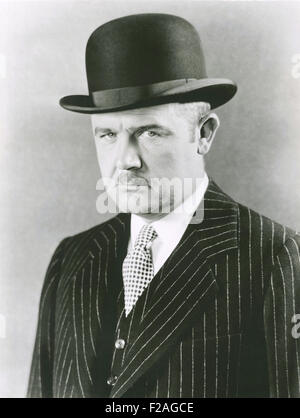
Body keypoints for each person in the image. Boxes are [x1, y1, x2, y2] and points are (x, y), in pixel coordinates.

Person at [27, 13, 300, 398]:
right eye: (107, 134)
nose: (126, 160)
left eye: (149, 132)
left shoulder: (275, 257)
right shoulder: (72, 259)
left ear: (203, 134)